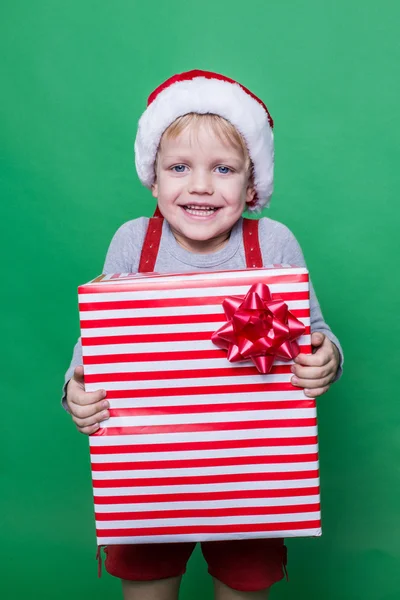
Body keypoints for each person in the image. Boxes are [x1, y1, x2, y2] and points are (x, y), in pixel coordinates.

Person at [63, 70, 343, 600]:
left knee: (243, 582)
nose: (200, 186)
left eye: (223, 168)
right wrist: (76, 390)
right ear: (153, 178)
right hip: (150, 470)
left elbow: (316, 334)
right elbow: (95, 346)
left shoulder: (274, 243)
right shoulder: (131, 242)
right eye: (179, 167)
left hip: (252, 471)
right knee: (148, 584)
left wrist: (325, 357)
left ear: (251, 182)